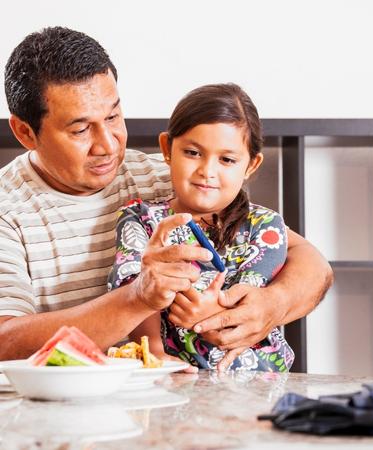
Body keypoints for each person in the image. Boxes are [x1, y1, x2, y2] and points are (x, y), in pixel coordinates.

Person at [0, 27, 333, 368]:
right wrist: (137, 298)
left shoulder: (175, 177)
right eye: (80, 130)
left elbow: (311, 262)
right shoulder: (7, 209)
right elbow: (4, 341)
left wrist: (270, 304)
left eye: (113, 116)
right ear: (25, 131)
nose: (109, 145)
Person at [108, 83, 295, 371]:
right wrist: (155, 353)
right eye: (193, 153)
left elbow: (252, 295)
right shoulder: (139, 219)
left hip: (254, 377)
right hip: (173, 377)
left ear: (251, 165)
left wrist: (211, 314)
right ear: (167, 149)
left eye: (227, 160)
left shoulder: (266, 227)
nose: (207, 171)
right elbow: (134, 289)